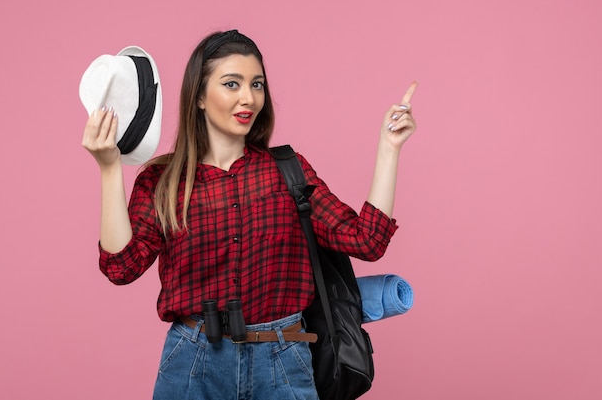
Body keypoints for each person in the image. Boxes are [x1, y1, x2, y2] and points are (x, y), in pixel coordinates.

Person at [81, 29, 417, 400]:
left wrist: (390, 148)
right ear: (199, 98)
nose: (248, 97)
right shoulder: (162, 180)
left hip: (284, 359)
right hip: (193, 363)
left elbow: (366, 240)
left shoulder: (287, 171)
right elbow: (121, 267)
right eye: (232, 83)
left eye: (256, 84)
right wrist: (110, 168)